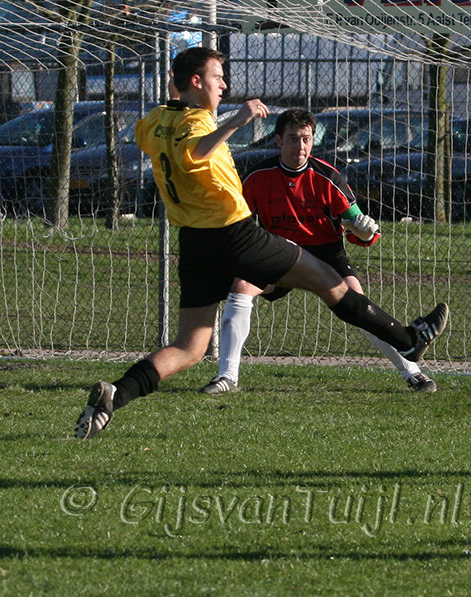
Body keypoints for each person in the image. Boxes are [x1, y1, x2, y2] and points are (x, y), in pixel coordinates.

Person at [74, 46, 448, 439]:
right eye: (218, 77)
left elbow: (167, 129)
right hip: (234, 234)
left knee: (190, 347)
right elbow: (195, 150)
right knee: (328, 279)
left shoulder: (155, 120)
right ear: (197, 82)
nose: (224, 85)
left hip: (194, 242)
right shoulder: (199, 124)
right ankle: (408, 341)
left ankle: (116, 394)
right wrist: (237, 120)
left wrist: (179, 89)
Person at [200, 108, 437, 396]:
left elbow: (359, 226)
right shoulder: (257, 177)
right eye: (293, 138)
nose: (300, 146)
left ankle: (412, 372)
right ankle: (227, 376)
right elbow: (241, 224)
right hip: (280, 252)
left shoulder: (328, 177)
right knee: (240, 287)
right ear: (278, 141)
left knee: (359, 306)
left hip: (326, 254)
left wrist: (364, 231)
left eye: (306, 139)